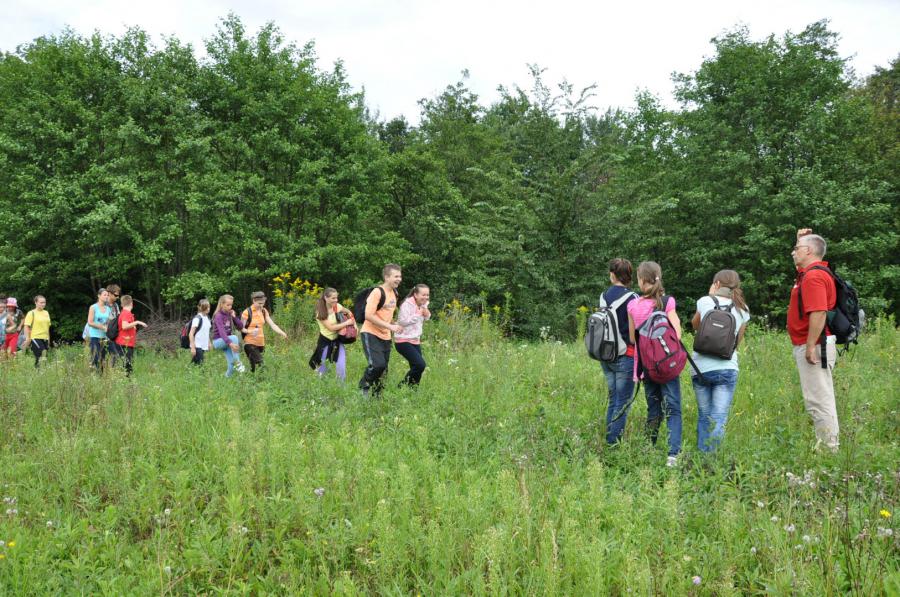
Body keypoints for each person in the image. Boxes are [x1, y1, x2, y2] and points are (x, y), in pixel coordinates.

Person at [627, 261, 683, 467]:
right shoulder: (667, 302)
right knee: (673, 408)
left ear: (642, 280)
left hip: (647, 367)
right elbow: (677, 333)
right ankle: (673, 455)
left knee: (654, 409)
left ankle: (648, 449)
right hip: (667, 366)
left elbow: (632, 339)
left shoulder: (633, 306)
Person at [788, 228, 839, 452]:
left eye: (797, 248)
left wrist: (810, 345)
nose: (793, 252)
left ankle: (829, 450)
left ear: (808, 251)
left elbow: (818, 312)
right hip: (814, 344)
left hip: (815, 346)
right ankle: (827, 446)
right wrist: (800, 239)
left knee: (819, 400)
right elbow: (800, 267)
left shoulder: (814, 276)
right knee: (817, 398)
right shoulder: (809, 274)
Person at [690, 270, 751, 453]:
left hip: (701, 367)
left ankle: (703, 455)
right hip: (726, 368)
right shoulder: (742, 308)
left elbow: (695, 326)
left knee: (704, 415)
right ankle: (713, 459)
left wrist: (710, 296)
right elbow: (736, 342)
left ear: (716, 283)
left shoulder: (704, 301)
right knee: (719, 417)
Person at [599, 259, 638, 445]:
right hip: (625, 355)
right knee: (622, 403)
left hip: (605, 354)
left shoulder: (603, 296)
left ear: (612, 275)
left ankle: (610, 440)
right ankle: (613, 444)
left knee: (614, 398)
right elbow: (634, 332)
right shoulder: (633, 298)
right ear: (629, 275)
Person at [359, 264, 403, 397]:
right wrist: (390, 327)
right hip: (370, 333)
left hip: (386, 336)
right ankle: (364, 386)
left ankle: (377, 397)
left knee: (383, 369)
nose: (399, 279)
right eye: (396, 276)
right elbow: (368, 315)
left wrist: (394, 323)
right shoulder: (377, 292)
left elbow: (386, 314)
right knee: (377, 365)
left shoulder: (395, 293)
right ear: (386, 277)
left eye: (400, 276)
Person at [309, 288, 355, 381]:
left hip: (337, 341)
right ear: (326, 298)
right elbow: (331, 328)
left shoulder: (337, 306)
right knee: (323, 370)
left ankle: (341, 388)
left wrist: (354, 324)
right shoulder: (320, 312)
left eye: (336, 297)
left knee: (341, 367)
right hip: (325, 342)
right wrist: (346, 323)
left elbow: (349, 312)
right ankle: (321, 388)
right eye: (333, 298)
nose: (336, 300)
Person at [240, 291, 288, 373]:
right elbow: (241, 328)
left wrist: (282, 332)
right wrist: (250, 331)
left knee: (254, 368)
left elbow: (272, 324)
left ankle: (252, 378)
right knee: (261, 363)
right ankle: (263, 378)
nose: (261, 305)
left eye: (263, 303)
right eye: (259, 303)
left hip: (261, 342)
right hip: (249, 342)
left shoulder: (264, 311)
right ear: (254, 301)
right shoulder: (247, 312)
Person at [394, 284, 431, 387]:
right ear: (415, 294)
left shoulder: (423, 304)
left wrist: (425, 311)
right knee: (420, 365)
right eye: (423, 295)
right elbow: (403, 321)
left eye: (427, 295)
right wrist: (418, 314)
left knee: (416, 368)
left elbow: (427, 317)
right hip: (403, 340)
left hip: (415, 340)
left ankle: (412, 391)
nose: (426, 297)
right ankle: (401, 386)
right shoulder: (406, 304)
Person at [210, 294, 246, 377]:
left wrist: (234, 317)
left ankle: (226, 378)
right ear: (222, 304)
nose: (230, 307)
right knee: (234, 337)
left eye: (231, 305)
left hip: (227, 342)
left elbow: (240, 326)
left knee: (231, 365)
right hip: (218, 341)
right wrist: (230, 343)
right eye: (228, 305)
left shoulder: (229, 314)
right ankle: (238, 363)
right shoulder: (218, 316)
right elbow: (222, 332)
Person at [112, 295, 146, 376]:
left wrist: (133, 326)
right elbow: (124, 326)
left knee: (126, 364)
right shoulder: (126, 313)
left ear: (122, 304)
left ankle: (124, 379)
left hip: (126, 343)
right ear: (131, 303)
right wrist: (137, 322)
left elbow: (126, 326)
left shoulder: (125, 313)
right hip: (124, 343)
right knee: (127, 365)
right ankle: (126, 380)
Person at [86, 288, 112, 371]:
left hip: (104, 337)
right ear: (99, 296)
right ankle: (94, 375)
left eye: (107, 295)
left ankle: (101, 375)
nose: (106, 296)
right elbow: (90, 322)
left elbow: (109, 322)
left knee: (103, 358)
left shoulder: (108, 309)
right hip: (94, 336)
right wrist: (102, 327)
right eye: (104, 295)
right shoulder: (93, 307)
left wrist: (109, 327)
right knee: (95, 357)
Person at [23, 295, 51, 368]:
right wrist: (27, 338)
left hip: (45, 338)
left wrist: (48, 339)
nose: (43, 304)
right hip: (35, 337)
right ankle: (39, 371)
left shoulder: (46, 313)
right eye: (41, 302)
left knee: (44, 357)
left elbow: (47, 327)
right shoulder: (31, 313)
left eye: (44, 302)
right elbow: (26, 326)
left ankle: (39, 371)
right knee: (41, 353)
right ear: (35, 302)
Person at [188, 299, 212, 366]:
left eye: (208, 307)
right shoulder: (197, 318)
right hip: (197, 345)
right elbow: (191, 334)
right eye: (205, 307)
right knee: (200, 363)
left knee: (195, 363)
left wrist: (209, 343)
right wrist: (193, 347)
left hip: (203, 345)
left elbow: (206, 332)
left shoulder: (207, 318)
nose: (208, 309)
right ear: (200, 307)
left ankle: (188, 370)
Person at [105, 284, 123, 360]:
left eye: (118, 295)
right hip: (103, 336)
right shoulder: (102, 304)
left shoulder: (116, 305)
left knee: (118, 356)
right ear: (109, 293)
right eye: (116, 295)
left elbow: (118, 319)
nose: (117, 297)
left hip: (113, 336)